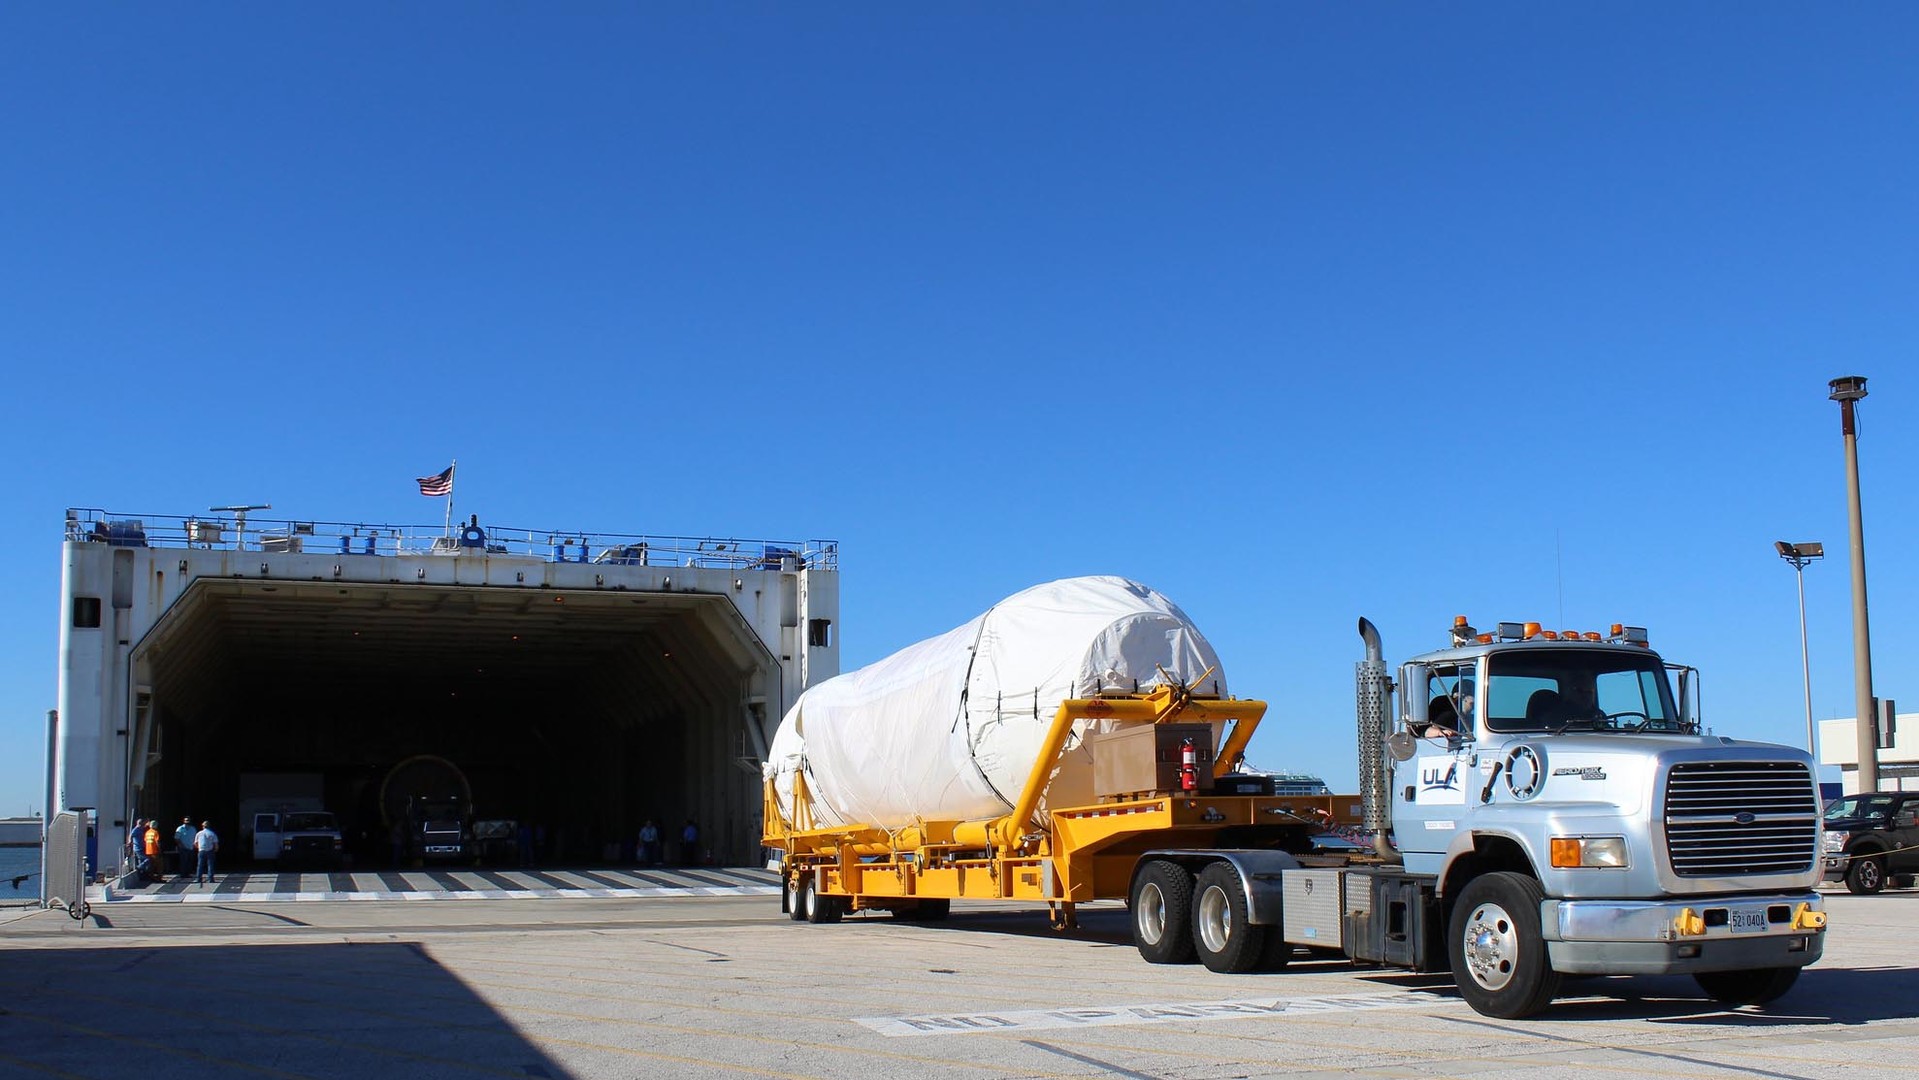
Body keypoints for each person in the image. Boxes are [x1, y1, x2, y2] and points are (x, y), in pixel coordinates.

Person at [194, 820, 219, 885]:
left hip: (201, 850)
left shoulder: (199, 833)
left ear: (203, 826)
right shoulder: (212, 833)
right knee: (210, 865)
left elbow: (195, 843)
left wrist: (198, 848)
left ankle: (198, 878)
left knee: (200, 865)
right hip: (210, 850)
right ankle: (210, 878)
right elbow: (215, 843)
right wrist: (216, 849)